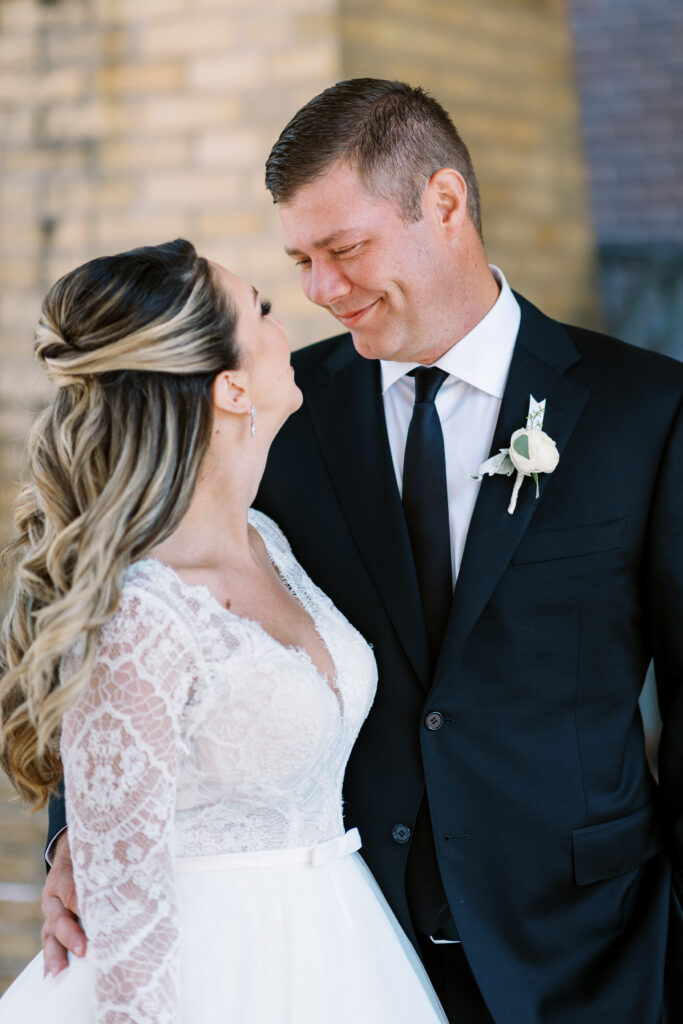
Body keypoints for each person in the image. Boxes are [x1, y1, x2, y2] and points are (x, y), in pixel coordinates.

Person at [40, 80, 682, 1022]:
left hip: (592, 953)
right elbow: (141, 602)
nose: (319, 291)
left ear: (446, 204)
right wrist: (77, 830)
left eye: (344, 251)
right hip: (335, 950)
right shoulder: (274, 410)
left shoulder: (645, 409)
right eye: (299, 260)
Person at [0, 239, 448, 1023]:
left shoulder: (268, 540)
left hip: (339, 946)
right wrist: (83, 846)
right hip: (205, 973)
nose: (292, 323)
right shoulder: (141, 610)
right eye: (263, 311)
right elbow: (131, 931)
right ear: (232, 390)